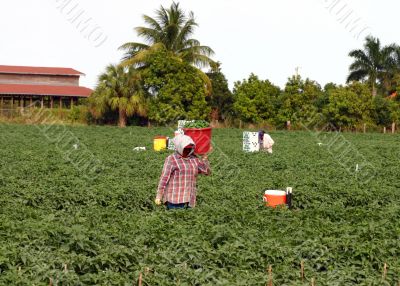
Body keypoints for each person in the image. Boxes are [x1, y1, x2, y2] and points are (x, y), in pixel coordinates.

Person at [155, 134, 211, 209]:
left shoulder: (194, 159)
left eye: (190, 148)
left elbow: (206, 171)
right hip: (174, 201)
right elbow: (164, 178)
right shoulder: (171, 159)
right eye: (185, 148)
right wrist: (159, 196)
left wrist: (204, 157)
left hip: (190, 200)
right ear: (179, 147)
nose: (188, 150)